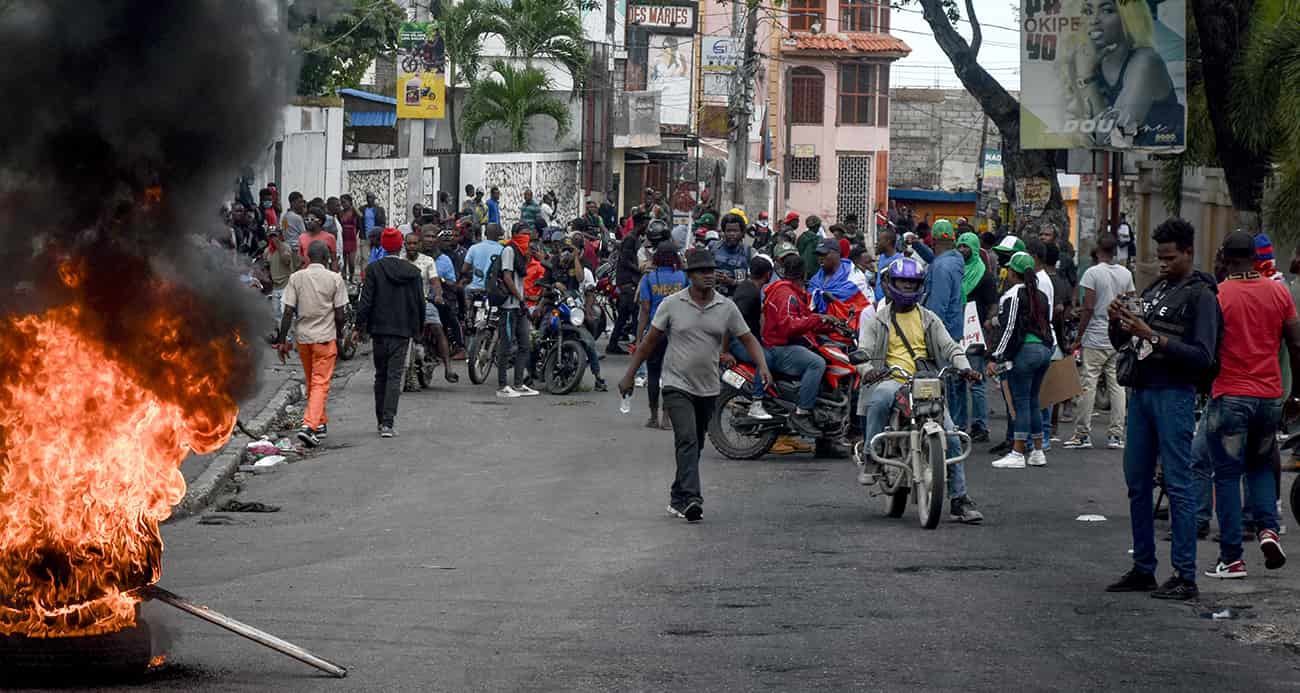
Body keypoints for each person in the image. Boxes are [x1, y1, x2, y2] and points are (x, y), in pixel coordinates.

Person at [1106, 218, 1221, 601]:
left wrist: (1151, 335)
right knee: (1137, 484)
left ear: (1189, 252)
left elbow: (1203, 357)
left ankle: (1185, 575)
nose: (1163, 263)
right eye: (1160, 257)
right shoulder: (1156, 289)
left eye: (1170, 257)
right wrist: (1117, 321)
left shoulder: (1201, 295)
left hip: (1174, 395)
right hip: (1142, 393)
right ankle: (1144, 568)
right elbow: (1124, 340)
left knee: (1178, 485)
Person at [619, 249, 772, 523]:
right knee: (687, 439)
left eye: (711, 270)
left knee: (696, 444)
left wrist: (762, 365)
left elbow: (748, 338)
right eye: (702, 271)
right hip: (677, 384)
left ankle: (678, 495)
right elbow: (649, 342)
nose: (709, 275)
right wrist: (630, 374)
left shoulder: (725, 307)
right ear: (690, 276)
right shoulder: (671, 304)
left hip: (709, 388)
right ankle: (692, 499)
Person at [856, 257, 984, 523]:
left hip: (926, 381)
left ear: (919, 285)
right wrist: (867, 370)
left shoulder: (930, 318)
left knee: (950, 435)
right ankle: (871, 455)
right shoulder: (878, 319)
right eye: (902, 281)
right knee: (879, 398)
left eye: (911, 282)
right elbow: (864, 351)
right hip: (893, 378)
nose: (906, 287)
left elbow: (951, 347)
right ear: (891, 284)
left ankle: (959, 499)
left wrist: (965, 367)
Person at [1202, 230, 1300, 580]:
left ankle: (1231, 559)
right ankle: (1268, 531)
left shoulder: (1218, 295)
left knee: (1227, 475)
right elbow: (1296, 343)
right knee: (1260, 466)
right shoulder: (1279, 291)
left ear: (1226, 259)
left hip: (1230, 396)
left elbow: (1206, 347)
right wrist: (1297, 395)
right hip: (1270, 396)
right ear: (1256, 259)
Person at [1070, 0, 1185, 148]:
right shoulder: (1081, 60)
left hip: (1162, 157)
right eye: (1088, 11)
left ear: (1129, 18)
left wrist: (1087, 79)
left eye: (1107, 11)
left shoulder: (1146, 62)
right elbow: (1074, 131)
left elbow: (1109, 139)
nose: (1094, 20)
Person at [273, 240, 347, 448]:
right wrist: (339, 335)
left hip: (303, 338)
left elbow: (287, 312)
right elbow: (340, 315)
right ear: (326, 258)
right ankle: (309, 426)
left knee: (312, 381)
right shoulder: (335, 279)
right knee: (320, 383)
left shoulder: (296, 277)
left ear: (307, 257)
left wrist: (282, 340)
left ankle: (320, 422)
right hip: (325, 338)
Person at [1065, 233, 1133, 450]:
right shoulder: (1125, 273)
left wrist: (1078, 337)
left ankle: (1082, 433)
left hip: (1095, 336)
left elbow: (1089, 308)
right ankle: (1116, 435)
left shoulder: (1092, 273)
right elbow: (1132, 303)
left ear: (1098, 250)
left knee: (1088, 384)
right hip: (1118, 336)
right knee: (1117, 386)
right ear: (1115, 251)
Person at [987, 251, 1056, 469]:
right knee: (1034, 400)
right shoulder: (1040, 295)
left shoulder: (1013, 295)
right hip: (1045, 350)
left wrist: (996, 356)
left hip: (1025, 352)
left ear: (1013, 273)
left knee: (1022, 402)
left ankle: (1017, 452)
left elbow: (1008, 329)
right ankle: (1037, 451)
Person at [355, 227, 425, 438]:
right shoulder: (413, 272)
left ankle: (380, 421)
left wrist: (360, 327)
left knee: (381, 375)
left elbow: (365, 302)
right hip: (402, 330)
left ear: (383, 245)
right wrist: (418, 329)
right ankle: (388, 423)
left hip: (379, 330)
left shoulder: (374, 269)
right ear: (401, 245)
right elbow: (419, 304)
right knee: (395, 375)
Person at [764, 252, 839, 436]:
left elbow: (804, 318)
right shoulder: (786, 294)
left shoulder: (792, 292)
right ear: (803, 274)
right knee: (817, 363)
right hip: (779, 347)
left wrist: (830, 325)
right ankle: (802, 413)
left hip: (787, 343)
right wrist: (818, 320)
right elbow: (789, 325)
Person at [637, 241, 690, 429]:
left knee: (653, 374)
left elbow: (645, 309)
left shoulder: (649, 278)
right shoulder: (683, 277)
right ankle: (667, 417)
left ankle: (653, 416)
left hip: (654, 332)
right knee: (671, 376)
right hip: (677, 333)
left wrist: (638, 337)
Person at [957, 231, 998, 442]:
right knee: (956, 380)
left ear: (974, 249)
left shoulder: (985, 275)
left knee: (976, 380)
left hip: (975, 334)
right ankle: (959, 424)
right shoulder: (955, 272)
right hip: (956, 331)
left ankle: (980, 426)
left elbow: (993, 304)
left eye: (966, 246)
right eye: (960, 246)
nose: (962, 250)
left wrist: (988, 325)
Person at [403, 232, 457, 388]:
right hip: (403, 304)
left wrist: (438, 295)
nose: (412, 246)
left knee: (437, 328)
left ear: (419, 245)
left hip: (423, 302)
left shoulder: (428, 261)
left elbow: (435, 282)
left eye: (415, 243)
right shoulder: (400, 260)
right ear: (405, 245)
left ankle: (448, 369)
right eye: (409, 243)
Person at [494, 224, 540, 398]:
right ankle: (502, 386)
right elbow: (507, 277)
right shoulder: (509, 251)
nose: (526, 237)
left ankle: (519, 383)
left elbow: (522, 275)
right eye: (523, 234)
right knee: (505, 346)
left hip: (519, 305)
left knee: (524, 345)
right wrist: (520, 298)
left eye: (529, 234)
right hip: (509, 306)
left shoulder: (521, 253)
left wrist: (528, 257)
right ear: (514, 235)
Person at [609, 213, 646, 354]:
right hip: (627, 282)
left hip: (628, 281)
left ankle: (613, 344)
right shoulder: (630, 239)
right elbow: (625, 260)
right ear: (641, 224)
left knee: (624, 315)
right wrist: (639, 270)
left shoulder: (634, 238)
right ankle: (638, 346)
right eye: (645, 224)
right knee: (636, 314)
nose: (647, 227)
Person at [265, 227, 300, 334]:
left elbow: (286, 261)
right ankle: (281, 338)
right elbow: (267, 266)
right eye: (271, 236)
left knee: (286, 314)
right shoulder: (267, 251)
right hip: (275, 287)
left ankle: (288, 339)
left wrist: (278, 246)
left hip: (286, 285)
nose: (273, 238)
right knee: (276, 314)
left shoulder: (286, 248)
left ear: (280, 236)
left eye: (275, 235)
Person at [710, 213, 754, 297]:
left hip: (738, 299)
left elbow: (754, 282)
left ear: (742, 233)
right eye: (729, 231)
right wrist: (712, 275)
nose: (732, 234)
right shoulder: (713, 248)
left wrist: (732, 281)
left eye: (735, 231)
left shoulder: (750, 252)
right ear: (724, 232)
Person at [462, 223, 505, 292]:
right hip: (494, 291)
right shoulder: (503, 250)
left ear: (485, 233)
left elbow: (464, 270)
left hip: (474, 289)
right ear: (499, 235)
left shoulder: (474, 248)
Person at [874, 228, 902, 302]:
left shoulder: (899, 261)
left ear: (887, 241)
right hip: (878, 303)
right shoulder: (882, 257)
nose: (877, 242)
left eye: (879, 240)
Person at [338, 194, 361, 282]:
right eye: (341, 202)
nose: (342, 204)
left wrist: (353, 206)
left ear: (350, 202)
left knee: (351, 262)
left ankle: (351, 277)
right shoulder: (340, 212)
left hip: (352, 238)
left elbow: (361, 216)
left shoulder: (354, 211)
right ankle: (343, 278)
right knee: (343, 260)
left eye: (344, 202)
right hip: (343, 237)